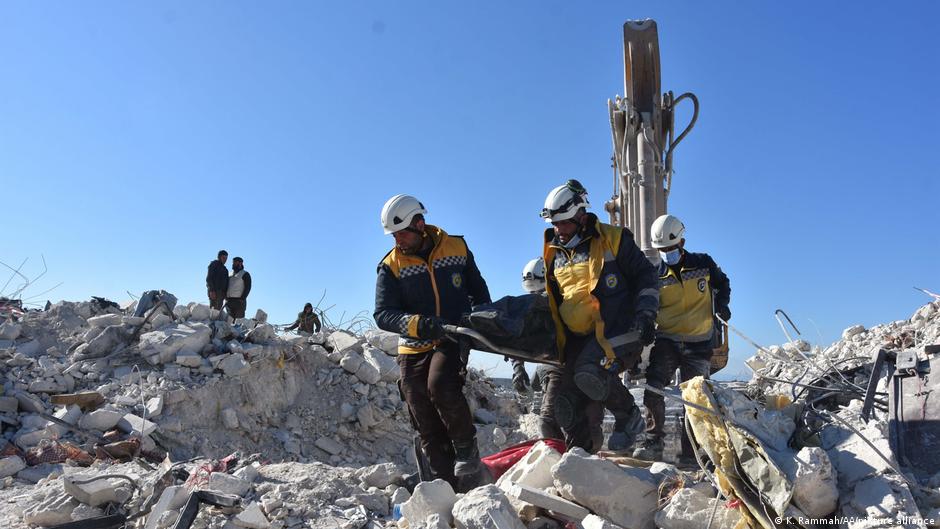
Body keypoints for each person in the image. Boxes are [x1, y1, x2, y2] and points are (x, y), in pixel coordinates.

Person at [373, 194, 491, 488]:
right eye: (394, 235)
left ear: (420, 223)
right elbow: (383, 314)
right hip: (413, 343)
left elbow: (479, 290)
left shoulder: (457, 247)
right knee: (417, 402)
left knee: (440, 385)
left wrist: (484, 320)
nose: (398, 239)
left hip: (452, 335)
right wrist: (416, 324)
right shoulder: (390, 265)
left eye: (403, 232)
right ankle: (444, 482)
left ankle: (466, 449)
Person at [541, 180, 660, 452]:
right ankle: (581, 457)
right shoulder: (553, 251)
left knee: (588, 371)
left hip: (619, 330)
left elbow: (646, 276)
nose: (559, 230)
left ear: (582, 215)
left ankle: (628, 415)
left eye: (565, 223)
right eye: (554, 224)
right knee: (565, 403)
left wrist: (645, 314)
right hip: (577, 338)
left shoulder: (614, 238)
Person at [632, 214, 731, 465]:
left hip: (700, 343)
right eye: (662, 249)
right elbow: (648, 303)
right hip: (668, 340)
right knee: (654, 387)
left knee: (696, 399)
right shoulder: (654, 274)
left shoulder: (703, 264)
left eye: (670, 248)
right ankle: (653, 441)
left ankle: (694, 452)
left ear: (682, 242)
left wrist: (722, 303)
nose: (667, 252)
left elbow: (723, 283)